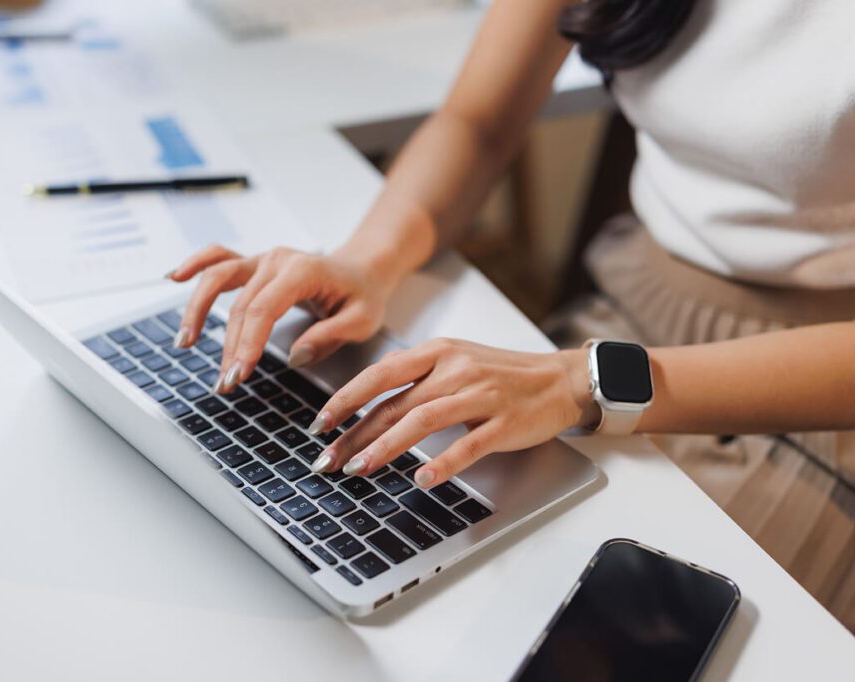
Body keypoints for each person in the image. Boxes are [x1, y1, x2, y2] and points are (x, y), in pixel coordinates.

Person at [168, 0, 855, 627]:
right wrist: (369, 261)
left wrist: (577, 384)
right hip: (628, 312)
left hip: (811, 388)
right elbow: (481, 120)